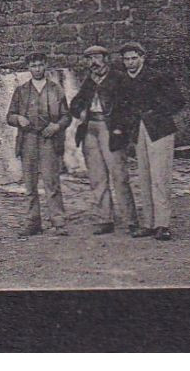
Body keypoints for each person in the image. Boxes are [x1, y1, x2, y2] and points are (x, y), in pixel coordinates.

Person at [114, 41, 183, 241]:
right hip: (138, 131)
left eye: (134, 58)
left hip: (159, 130)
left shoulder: (157, 76)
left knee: (160, 176)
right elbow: (122, 107)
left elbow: (178, 101)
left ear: (142, 57)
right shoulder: (124, 81)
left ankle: (163, 224)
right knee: (144, 176)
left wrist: (156, 112)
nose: (130, 63)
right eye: (126, 59)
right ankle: (149, 223)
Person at [70, 43, 138, 236]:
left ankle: (131, 220)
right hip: (90, 129)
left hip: (110, 129)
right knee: (97, 177)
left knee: (119, 176)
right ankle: (104, 218)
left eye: (97, 58)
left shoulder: (119, 79)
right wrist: (80, 111)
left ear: (106, 59)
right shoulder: (89, 81)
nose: (94, 62)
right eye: (90, 59)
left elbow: (128, 108)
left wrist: (119, 129)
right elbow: (75, 103)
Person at [6, 51, 71, 237]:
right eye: (33, 66)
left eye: (41, 65)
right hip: (28, 140)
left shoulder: (55, 89)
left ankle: (58, 221)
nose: (37, 69)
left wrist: (57, 126)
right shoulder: (21, 90)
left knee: (52, 182)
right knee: (30, 185)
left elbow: (67, 116)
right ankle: (33, 221)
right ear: (28, 68)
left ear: (46, 65)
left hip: (49, 139)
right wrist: (19, 118)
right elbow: (9, 116)